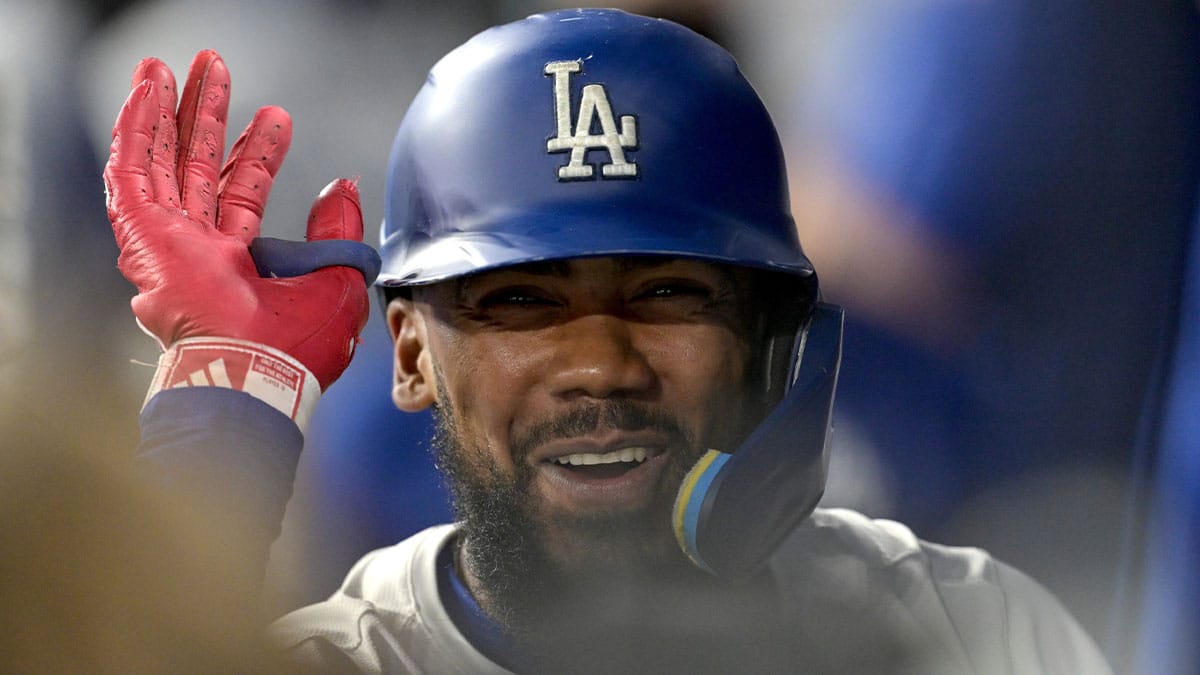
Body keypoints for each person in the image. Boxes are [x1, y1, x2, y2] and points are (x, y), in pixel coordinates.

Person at [103, 8, 1111, 673]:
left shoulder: (973, 638)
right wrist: (223, 421)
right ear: (409, 355)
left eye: (669, 292)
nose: (600, 365)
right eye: (521, 303)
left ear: (776, 339)